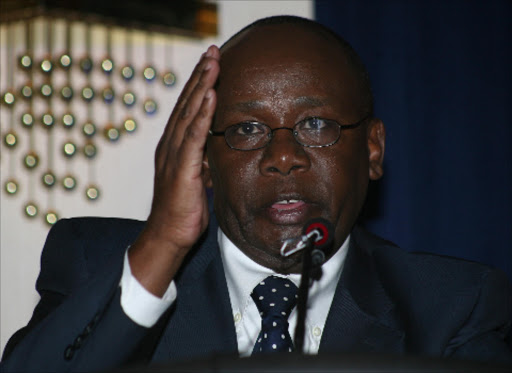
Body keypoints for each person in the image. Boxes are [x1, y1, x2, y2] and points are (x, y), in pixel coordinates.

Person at [2, 16, 511, 372]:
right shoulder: (96, 263)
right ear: (203, 158)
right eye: (247, 129)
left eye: (315, 124)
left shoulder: (450, 307)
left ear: (373, 149)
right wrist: (162, 244)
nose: (282, 156)